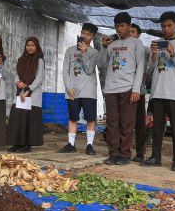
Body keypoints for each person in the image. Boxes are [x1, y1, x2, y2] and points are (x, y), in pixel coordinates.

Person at [141, 11, 175, 171]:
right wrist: (154, 55)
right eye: (163, 26)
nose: (166, 29)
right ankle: (156, 157)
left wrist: (173, 53)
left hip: (174, 92)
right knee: (157, 128)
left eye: (169, 26)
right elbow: (150, 71)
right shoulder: (158, 43)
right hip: (157, 91)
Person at [97, 12, 145, 165]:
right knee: (112, 123)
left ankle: (124, 155)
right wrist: (104, 47)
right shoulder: (111, 44)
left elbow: (141, 67)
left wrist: (136, 89)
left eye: (122, 26)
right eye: (117, 26)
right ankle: (113, 153)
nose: (119, 29)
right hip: (111, 88)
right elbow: (101, 64)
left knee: (126, 123)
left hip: (128, 88)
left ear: (129, 26)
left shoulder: (137, 44)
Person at [59, 23, 99, 155]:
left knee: (90, 118)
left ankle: (89, 145)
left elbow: (89, 70)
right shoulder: (70, 50)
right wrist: (68, 87)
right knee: (72, 118)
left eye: (88, 34)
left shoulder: (94, 52)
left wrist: (84, 53)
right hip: (73, 91)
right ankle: (71, 144)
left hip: (89, 91)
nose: (84, 36)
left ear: (93, 36)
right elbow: (65, 71)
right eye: (83, 33)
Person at [7, 37, 45, 152]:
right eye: (28, 45)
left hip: (32, 94)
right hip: (21, 92)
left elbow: (39, 78)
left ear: (36, 47)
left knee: (29, 119)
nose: (30, 47)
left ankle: (27, 145)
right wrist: (17, 82)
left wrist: (29, 90)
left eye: (32, 45)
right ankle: (17, 144)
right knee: (17, 117)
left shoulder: (39, 60)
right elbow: (16, 73)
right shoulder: (21, 59)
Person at [129, 23, 151, 162]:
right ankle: (123, 151)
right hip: (124, 90)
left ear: (138, 35)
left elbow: (146, 70)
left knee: (139, 123)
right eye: (128, 31)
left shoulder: (145, 50)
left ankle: (140, 152)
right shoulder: (122, 47)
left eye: (133, 32)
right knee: (125, 123)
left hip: (139, 91)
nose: (130, 34)